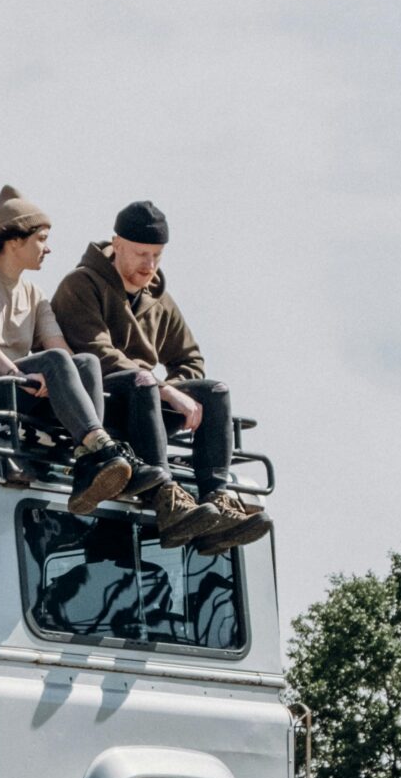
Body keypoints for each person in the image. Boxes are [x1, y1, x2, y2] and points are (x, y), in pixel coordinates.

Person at [49, 200, 270, 553]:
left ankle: (217, 500)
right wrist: (166, 390)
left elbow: (190, 358)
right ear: (117, 244)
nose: (149, 265)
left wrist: (176, 391)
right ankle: (166, 496)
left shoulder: (158, 297)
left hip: (148, 403)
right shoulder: (81, 285)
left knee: (215, 391)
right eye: (140, 254)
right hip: (100, 404)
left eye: (157, 256)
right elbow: (97, 354)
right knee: (143, 381)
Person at [0, 185, 150, 518]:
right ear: (14, 240)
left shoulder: (34, 293)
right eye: (42, 238)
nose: (48, 249)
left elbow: (61, 351)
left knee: (84, 362)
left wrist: (52, 373)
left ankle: (89, 461)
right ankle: (99, 447)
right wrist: (18, 376)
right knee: (59, 362)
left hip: (15, 392)